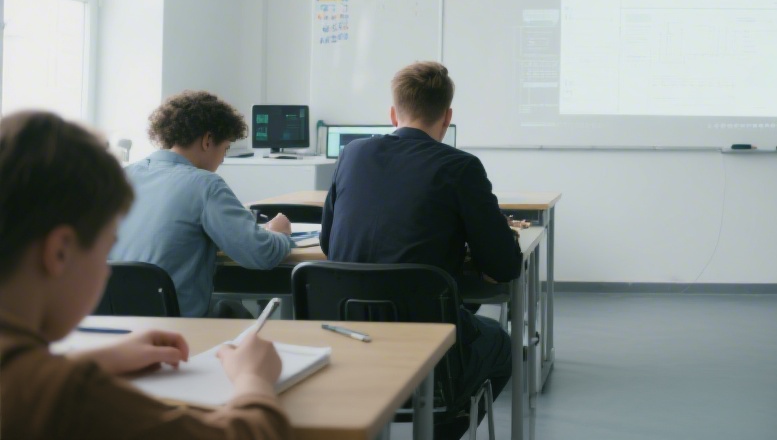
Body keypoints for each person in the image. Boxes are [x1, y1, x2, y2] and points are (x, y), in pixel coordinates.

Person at [0, 111, 289, 439]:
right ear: (60, 252)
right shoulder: (70, 397)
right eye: (109, 244)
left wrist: (98, 359)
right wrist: (254, 379)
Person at [321, 61, 521, 409]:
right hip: (425, 343)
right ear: (447, 116)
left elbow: (328, 243)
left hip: (348, 341)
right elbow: (505, 267)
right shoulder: (461, 167)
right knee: (502, 345)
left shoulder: (351, 154)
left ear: (393, 114)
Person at [111, 91, 291, 318]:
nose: (222, 160)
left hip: (115, 322)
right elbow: (260, 254)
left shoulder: (120, 177)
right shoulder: (206, 185)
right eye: (225, 149)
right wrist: (280, 234)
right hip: (175, 328)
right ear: (207, 140)